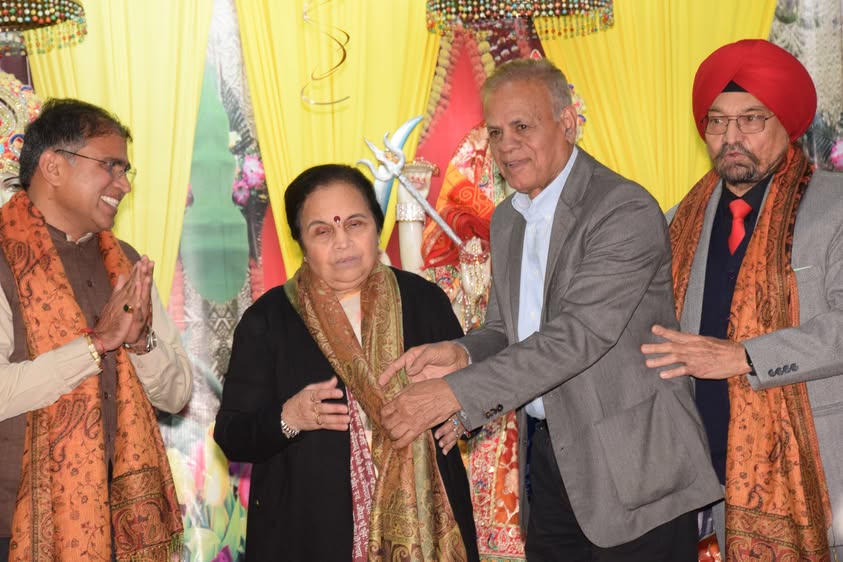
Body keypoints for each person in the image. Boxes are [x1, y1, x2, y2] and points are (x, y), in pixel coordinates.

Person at [378, 58, 722, 560]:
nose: (506, 146)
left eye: (522, 126)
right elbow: (506, 328)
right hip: (551, 460)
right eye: (496, 132)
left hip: (637, 465)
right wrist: (462, 355)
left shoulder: (622, 209)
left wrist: (454, 394)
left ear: (567, 123)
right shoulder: (508, 219)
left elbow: (577, 336)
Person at [213, 164, 479, 561]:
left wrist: (457, 405)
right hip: (308, 534)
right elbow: (232, 434)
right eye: (322, 231)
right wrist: (288, 418)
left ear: (377, 227)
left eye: (355, 224)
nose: (343, 242)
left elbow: (474, 403)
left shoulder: (423, 302)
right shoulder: (268, 320)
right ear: (301, 242)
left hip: (428, 530)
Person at [641, 39, 843, 559]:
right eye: (717, 121)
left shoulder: (835, 207)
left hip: (816, 464)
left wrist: (744, 356)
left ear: (786, 122)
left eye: (751, 119)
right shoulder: (676, 221)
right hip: (697, 468)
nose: (731, 137)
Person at [0, 99, 192, 561]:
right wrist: (96, 346)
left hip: (118, 528)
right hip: (14, 530)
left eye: (126, 170)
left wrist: (141, 342)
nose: (124, 185)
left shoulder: (125, 262)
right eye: (110, 166)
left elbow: (177, 393)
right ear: (53, 166)